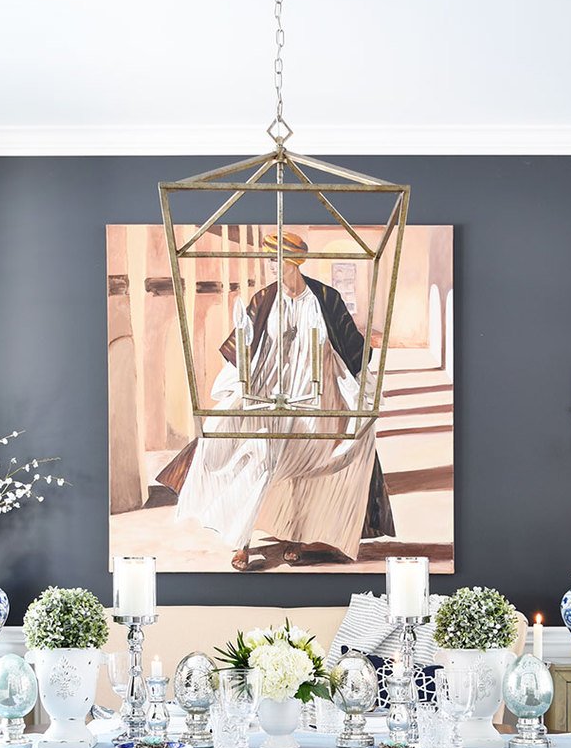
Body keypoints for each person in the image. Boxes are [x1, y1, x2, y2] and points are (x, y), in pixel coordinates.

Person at [157, 231, 395, 570]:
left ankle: (294, 537)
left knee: (300, 469)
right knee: (260, 463)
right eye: (269, 259)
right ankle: (241, 541)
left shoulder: (325, 297)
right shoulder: (263, 298)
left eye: (277, 259)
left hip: (315, 398)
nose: (271, 265)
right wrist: (231, 388)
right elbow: (242, 345)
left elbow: (352, 345)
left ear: (294, 262)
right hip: (268, 395)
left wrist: (368, 377)